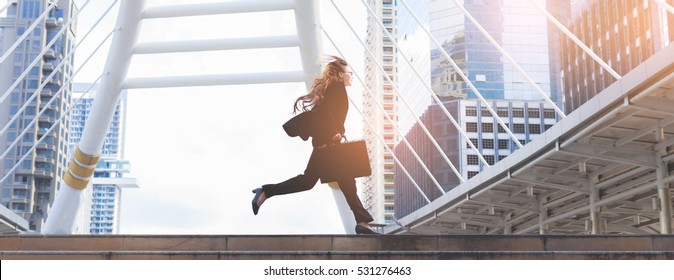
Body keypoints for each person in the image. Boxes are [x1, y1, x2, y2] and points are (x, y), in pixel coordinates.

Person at [250, 56, 378, 235]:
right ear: (341, 75)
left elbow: (328, 111)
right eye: (350, 73)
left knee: (321, 182)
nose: (351, 76)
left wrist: (337, 131)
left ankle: (362, 223)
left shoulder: (334, 88)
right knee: (340, 182)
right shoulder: (337, 88)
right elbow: (327, 112)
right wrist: (335, 131)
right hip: (328, 146)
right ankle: (362, 223)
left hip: (326, 146)